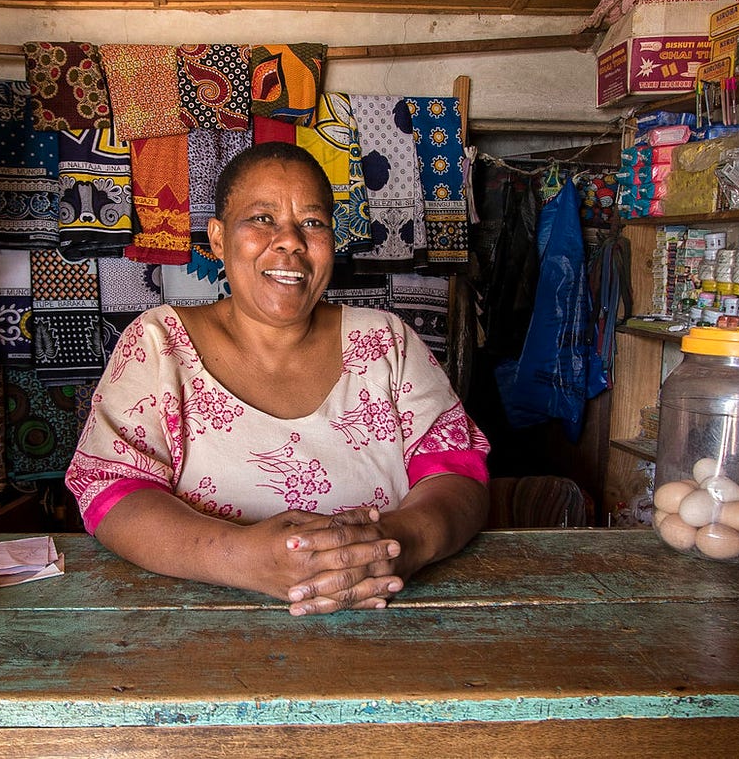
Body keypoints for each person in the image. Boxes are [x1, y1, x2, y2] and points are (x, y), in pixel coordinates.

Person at [65, 141, 489, 616]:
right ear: (218, 239)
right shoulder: (159, 343)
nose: (290, 240)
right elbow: (111, 492)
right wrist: (243, 558)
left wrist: (398, 543)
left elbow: (459, 475)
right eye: (262, 219)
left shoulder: (387, 341)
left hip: (387, 625)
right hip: (198, 633)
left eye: (312, 222)